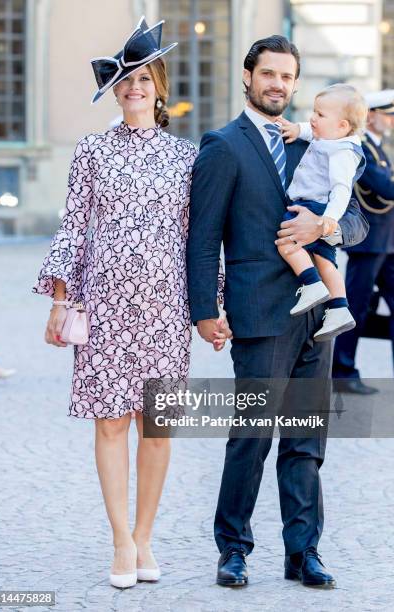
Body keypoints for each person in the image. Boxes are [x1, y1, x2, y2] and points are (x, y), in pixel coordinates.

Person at [32, 16, 229, 590]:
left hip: (167, 310)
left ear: (159, 87)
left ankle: (145, 537)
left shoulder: (187, 156)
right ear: (115, 92)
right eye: (126, 82)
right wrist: (58, 301)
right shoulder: (91, 151)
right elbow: (72, 229)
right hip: (106, 307)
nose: (135, 89)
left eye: (144, 79)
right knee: (112, 423)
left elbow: (203, 239)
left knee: (158, 427)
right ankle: (120, 539)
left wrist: (212, 308)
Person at [187, 35, 368, 589]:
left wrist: (326, 226)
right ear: (248, 76)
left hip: (319, 319)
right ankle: (233, 549)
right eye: (268, 74)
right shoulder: (222, 145)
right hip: (260, 312)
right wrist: (203, 310)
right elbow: (202, 237)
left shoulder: (314, 140)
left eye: (288, 77)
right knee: (251, 436)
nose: (278, 85)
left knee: (306, 439)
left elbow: (357, 224)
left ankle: (303, 552)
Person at [277, 84, 367, 342]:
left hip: (315, 208)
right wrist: (298, 129)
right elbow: (311, 132)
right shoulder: (331, 137)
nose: (313, 119)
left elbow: (341, 190)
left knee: (286, 242)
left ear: (341, 126)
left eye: (320, 115)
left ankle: (311, 284)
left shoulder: (342, 153)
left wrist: (328, 220)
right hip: (319, 210)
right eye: (314, 112)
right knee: (326, 260)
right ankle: (339, 307)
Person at [333, 90, 394, 393]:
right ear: (371, 116)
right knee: (354, 310)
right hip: (369, 244)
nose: (392, 121)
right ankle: (342, 373)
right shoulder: (362, 147)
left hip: (386, 242)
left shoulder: (379, 148)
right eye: (388, 115)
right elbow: (384, 186)